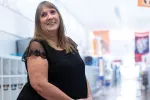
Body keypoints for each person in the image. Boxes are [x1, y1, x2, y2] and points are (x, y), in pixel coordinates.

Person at [17, 1, 92, 100]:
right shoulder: (37, 46)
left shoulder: (69, 43)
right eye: (44, 15)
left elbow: (80, 73)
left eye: (53, 12)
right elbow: (39, 84)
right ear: (39, 23)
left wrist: (89, 96)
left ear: (59, 16)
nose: (50, 17)